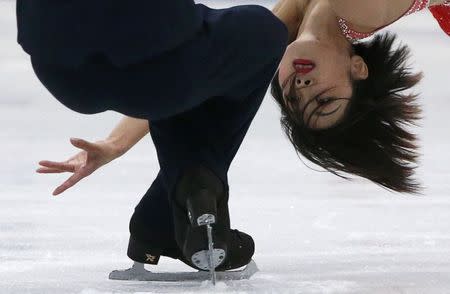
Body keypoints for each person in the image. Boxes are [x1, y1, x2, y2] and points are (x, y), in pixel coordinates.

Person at [21, 1, 288, 272]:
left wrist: (115, 143)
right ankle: (180, 200)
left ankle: (162, 218)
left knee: (194, 49)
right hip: (156, 62)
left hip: (60, 71)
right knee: (263, 31)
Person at [271, 0, 449, 194]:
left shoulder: (281, 25)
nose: (303, 87)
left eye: (294, 100)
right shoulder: (359, 9)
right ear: (357, 68)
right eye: (324, 101)